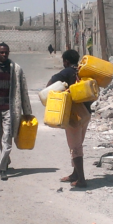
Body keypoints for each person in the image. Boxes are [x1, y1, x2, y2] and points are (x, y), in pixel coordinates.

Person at [0, 42, 32, 181]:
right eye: (1, 52)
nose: (4, 55)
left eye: (6, 52)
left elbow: (23, 91)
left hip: (10, 109)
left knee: (7, 139)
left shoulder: (16, 69)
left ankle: (2, 168)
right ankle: (6, 160)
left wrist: (27, 111)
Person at [47, 49, 93, 188]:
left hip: (74, 115)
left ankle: (82, 180)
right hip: (86, 113)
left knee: (75, 147)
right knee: (78, 144)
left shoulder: (67, 72)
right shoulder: (84, 72)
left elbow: (50, 85)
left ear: (65, 61)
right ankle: (75, 174)